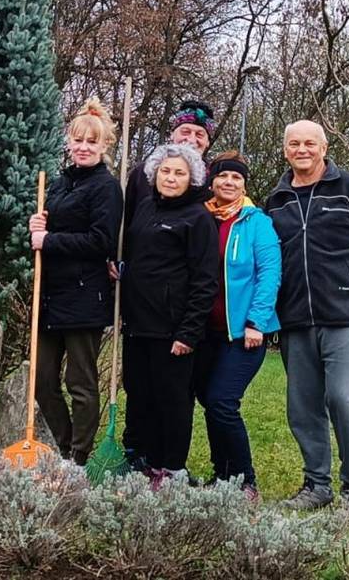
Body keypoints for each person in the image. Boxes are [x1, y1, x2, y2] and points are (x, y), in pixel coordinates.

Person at [265, 121, 349, 516]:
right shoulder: (276, 201)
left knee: (344, 399)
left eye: (310, 142)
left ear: (324, 147)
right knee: (303, 407)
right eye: (294, 143)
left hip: (348, 318)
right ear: (285, 150)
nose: (302, 149)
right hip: (295, 319)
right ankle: (316, 484)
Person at [26, 97, 123, 465]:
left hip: (84, 296)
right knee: (42, 379)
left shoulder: (105, 188)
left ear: (103, 146)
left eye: (91, 142)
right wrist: (37, 230)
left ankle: (78, 456)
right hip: (49, 294)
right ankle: (64, 444)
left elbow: (101, 241)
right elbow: (43, 237)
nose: (83, 147)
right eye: (78, 140)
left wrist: (49, 239)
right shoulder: (61, 184)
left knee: (79, 382)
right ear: (69, 141)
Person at [121, 98, 217, 465]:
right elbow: (130, 248)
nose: (171, 178)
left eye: (178, 173)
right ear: (154, 174)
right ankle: (138, 458)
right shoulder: (145, 207)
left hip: (173, 329)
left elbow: (204, 280)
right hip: (138, 325)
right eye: (165, 172)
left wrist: (188, 332)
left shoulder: (197, 218)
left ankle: (170, 466)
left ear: (192, 177)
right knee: (139, 394)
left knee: (172, 399)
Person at [192, 151, 281, 498]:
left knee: (222, 402)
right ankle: (222, 476)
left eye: (236, 179)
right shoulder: (202, 218)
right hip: (206, 332)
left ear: (244, 184)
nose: (229, 183)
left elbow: (270, 273)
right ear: (211, 181)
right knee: (209, 400)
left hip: (243, 333)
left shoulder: (256, 222)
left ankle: (246, 481)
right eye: (223, 177)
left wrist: (257, 321)